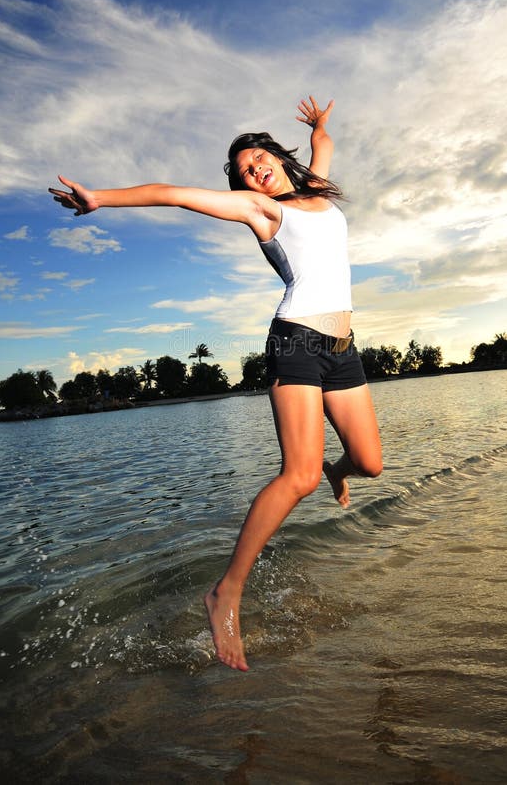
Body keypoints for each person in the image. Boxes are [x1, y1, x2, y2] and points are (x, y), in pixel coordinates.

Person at [49, 95, 383, 672]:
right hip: (296, 342)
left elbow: (323, 148)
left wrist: (322, 127)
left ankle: (338, 470)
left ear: (281, 158)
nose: (256, 170)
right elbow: (175, 194)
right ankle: (225, 592)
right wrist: (100, 198)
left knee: (370, 463)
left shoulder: (317, 193)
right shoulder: (260, 209)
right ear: (242, 183)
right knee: (297, 475)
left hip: (342, 349)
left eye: (261, 159)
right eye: (245, 169)